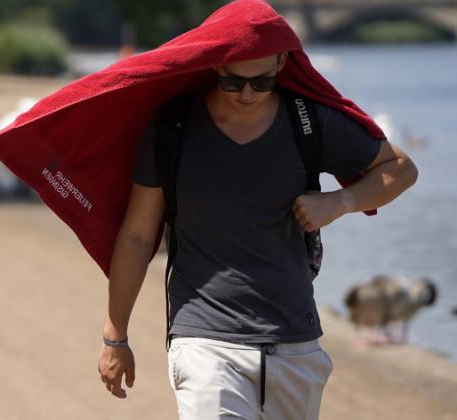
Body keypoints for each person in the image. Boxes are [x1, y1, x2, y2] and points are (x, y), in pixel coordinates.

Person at [97, 6, 418, 420]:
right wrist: (114, 336)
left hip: (295, 344)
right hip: (204, 342)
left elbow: (401, 168)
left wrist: (339, 202)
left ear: (282, 62)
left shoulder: (310, 123)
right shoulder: (171, 128)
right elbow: (138, 237)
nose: (247, 93)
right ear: (215, 63)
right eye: (233, 80)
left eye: (261, 80)